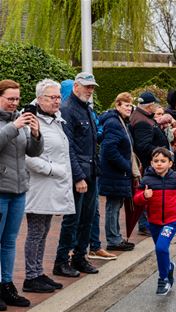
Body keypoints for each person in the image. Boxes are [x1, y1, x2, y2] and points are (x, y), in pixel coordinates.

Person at [23, 79, 72, 293]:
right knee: (35, 231)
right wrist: (53, 169)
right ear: (39, 98)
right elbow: (27, 156)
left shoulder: (56, 119)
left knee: (44, 230)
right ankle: (31, 277)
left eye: (59, 97)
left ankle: (38, 272)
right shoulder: (30, 120)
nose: (57, 101)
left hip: (52, 186)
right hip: (38, 185)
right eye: (52, 97)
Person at [0, 79, 43, 309]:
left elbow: (33, 152)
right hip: (0, 191)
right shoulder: (13, 123)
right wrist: (14, 126)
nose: (14, 103)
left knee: (8, 242)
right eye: (10, 99)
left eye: (17, 99)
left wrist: (36, 134)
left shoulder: (19, 121)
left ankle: (6, 285)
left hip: (18, 190)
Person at [133, 147, 176, 295]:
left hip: (171, 220)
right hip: (154, 222)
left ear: (170, 163)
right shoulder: (147, 179)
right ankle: (168, 267)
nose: (159, 164)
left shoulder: (175, 177)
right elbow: (136, 200)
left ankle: (163, 280)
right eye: (156, 161)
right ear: (151, 163)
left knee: (161, 248)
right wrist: (144, 195)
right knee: (161, 250)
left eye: (163, 161)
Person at [54, 72, 101, 277]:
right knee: (72, 220)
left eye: (92, 87)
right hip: (79, 174)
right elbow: (68, 147)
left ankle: (80, 257)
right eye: (87, 86)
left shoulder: (86, 109)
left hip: (91, 172)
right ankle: (62, 260)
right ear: (76, 86)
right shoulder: (68, 110)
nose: (90, 90)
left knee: (87, 218)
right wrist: (78, 176)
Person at [98, 92, 138, 253]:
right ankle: (113, 239)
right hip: (115, 172)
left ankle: (116, 237)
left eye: (130, 105)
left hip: (118, 172)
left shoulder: (121, 122)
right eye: (126, 105)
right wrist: (126, 166)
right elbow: (109, 149)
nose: (129, 108)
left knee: (116, 205)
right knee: (113, 206)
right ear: (118, 105)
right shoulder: (114, 123)